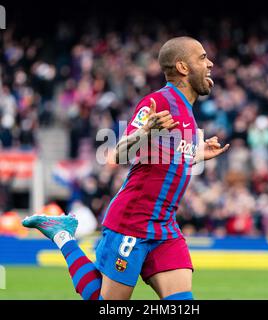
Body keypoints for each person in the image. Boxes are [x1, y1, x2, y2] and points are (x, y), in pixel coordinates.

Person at [22, 36, 230, 300]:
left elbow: (165, 159)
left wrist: (197, 154)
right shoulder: (158, 103)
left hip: (164, 225)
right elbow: (120, 154)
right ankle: (63, 236)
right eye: (202, 57)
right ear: (183, 67)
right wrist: (144, 131)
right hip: (132, 222)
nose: (210, 63)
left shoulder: (187, 110)